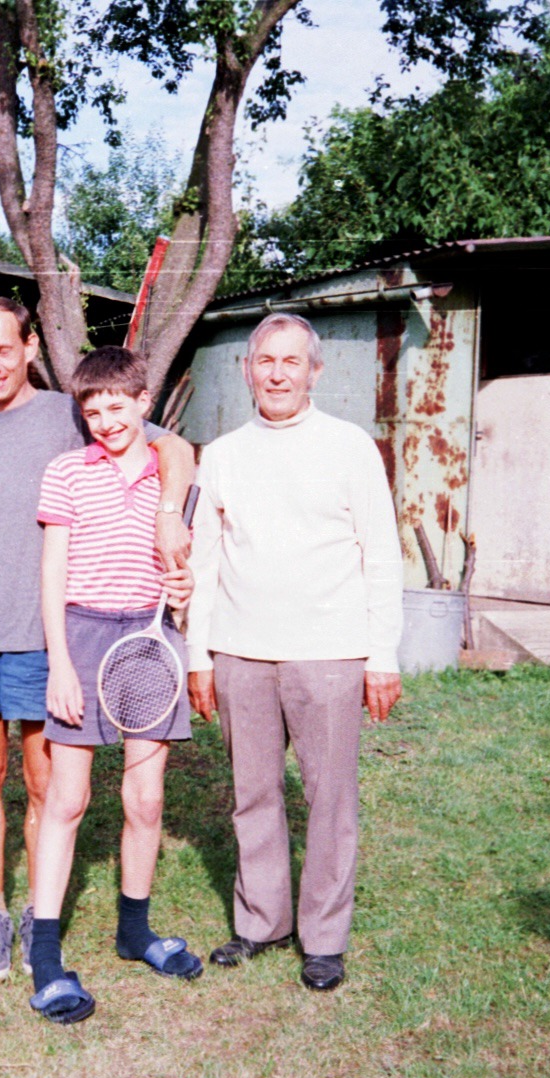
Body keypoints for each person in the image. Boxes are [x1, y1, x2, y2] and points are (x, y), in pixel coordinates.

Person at [0, 299, 193, 981]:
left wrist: (174, 533)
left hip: (107, 637)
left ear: (27, 346)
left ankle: (102, 925)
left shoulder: (67, 412)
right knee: (12, 782)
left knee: (99, 791)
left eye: (3, 348)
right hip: (17, 632)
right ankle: (11, 922)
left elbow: (173, 447)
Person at [185, 313, 404, 992]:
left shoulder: (349, 448)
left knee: (329, 797)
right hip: (240, 653)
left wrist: (381, 656)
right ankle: (259, 921)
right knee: (252, 794)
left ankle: (325, 937)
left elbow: (381, 555)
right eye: (264, 361)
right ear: (246, 369)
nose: (276, 373)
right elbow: (204, 564)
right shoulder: (220, 454)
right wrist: (199, 655)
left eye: (291, 361)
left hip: (330, 653)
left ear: (314, 371)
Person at [25, 346, 201, 1024]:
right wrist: (60, 662)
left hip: (151, 639)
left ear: (142, 402)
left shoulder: (169, 470)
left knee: (146, 797)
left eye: (116, 406)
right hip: (84, 635)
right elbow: (52, 573)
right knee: (67, 798)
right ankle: (45, 953)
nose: (104, 420)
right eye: (91, 409)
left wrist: (181, 588)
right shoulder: (67, 471)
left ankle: (135, 928)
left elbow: (184, 558)